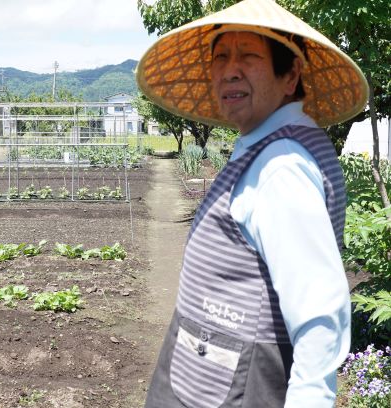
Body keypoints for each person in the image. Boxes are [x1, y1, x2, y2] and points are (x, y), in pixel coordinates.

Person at [135, 0, 369, 407]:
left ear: (291, 74)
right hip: (209, 373)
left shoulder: (282, 169)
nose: (230, 70)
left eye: (249, 55)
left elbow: (319, 317)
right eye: (221, 56)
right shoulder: (270, 145)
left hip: (239, 387)